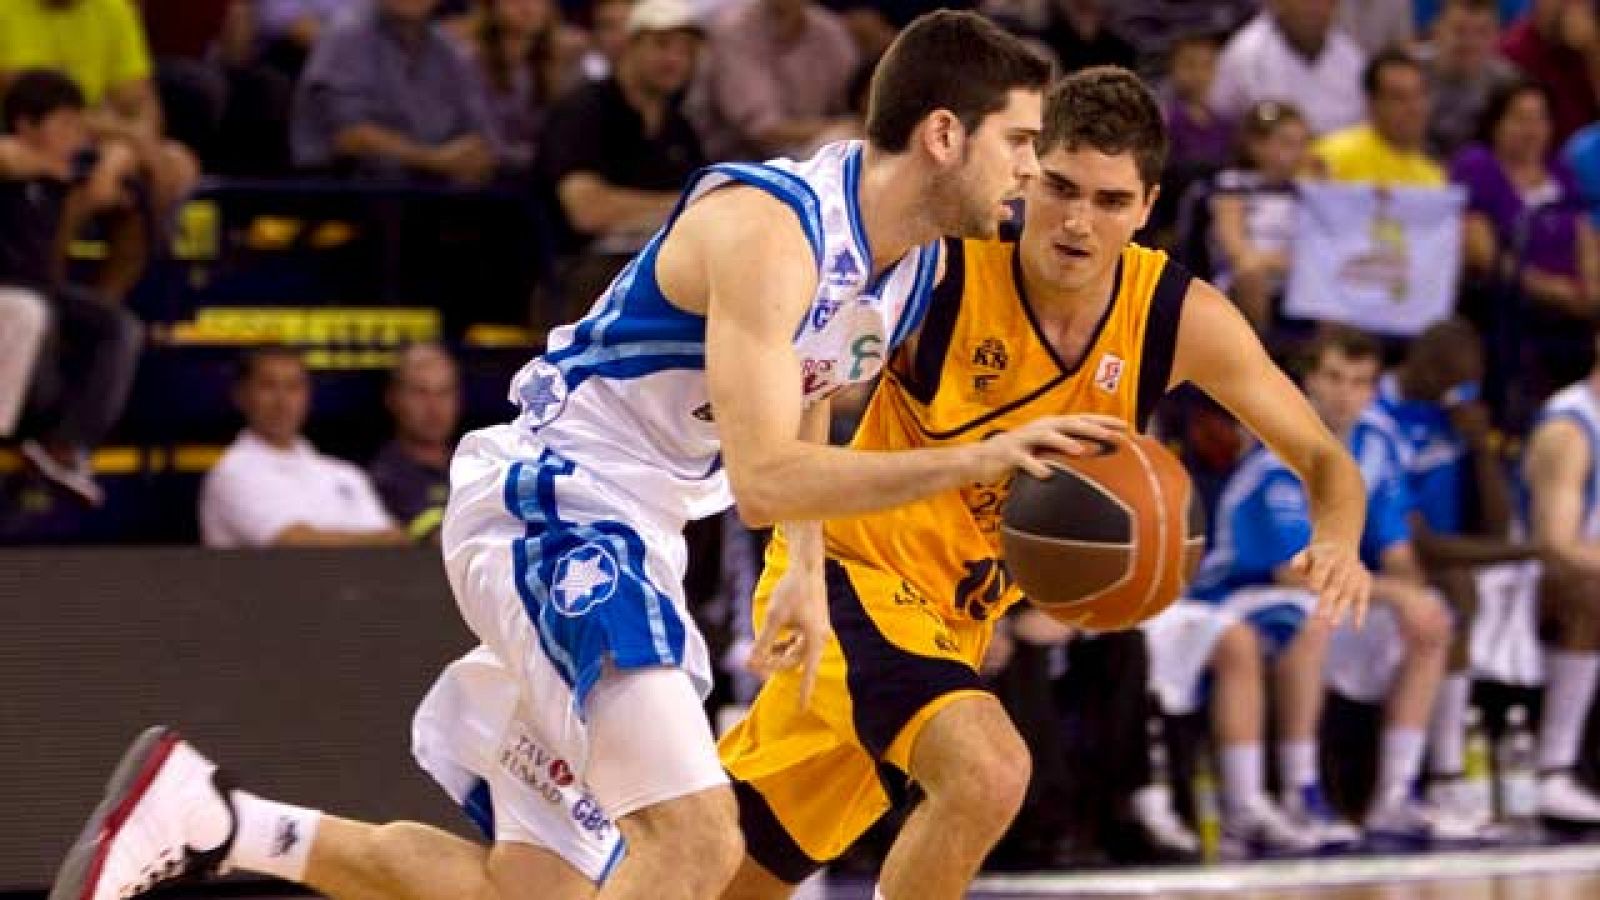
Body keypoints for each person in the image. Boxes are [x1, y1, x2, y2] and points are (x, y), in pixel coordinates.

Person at [52, 11, 1090, 900]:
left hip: (640, 534)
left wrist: (807, 578)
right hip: (561, 510)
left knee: (535, 889)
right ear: (946, 133)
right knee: (695, 840)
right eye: (1021, 141)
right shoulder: (770, 227)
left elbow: (805, 392)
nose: (1033, 171)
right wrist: (980, 458)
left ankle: (219, 823)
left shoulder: (904, 267)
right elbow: (768, 475)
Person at [715, 67, 1371, 900]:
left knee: (724, 873)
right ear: (1027, 175)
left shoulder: (1174, 316)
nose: (1076, 219)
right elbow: (811, 381)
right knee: (990, 771)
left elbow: (1323, 459)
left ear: (1145, 206)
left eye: (1107, 200)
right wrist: (802, 568)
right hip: (854, 578)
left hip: (955, 621)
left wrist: (1339, 538)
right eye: (1060, 186)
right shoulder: (946, 270)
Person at [1145, 328, 1462, 857]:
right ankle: (1299, 792)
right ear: (1308, 382)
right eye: (1334, 378)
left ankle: (1396, 795)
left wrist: (1413, 596)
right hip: (1237, 594)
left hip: (1331, 596)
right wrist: (1399, 594)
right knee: (1308, 618)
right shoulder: (1278, 449)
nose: (1346, 394)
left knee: (1433, 619)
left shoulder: (1378, 444)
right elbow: (1300, 570)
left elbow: (1396, 548)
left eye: (1361, 382)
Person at [0, 68, 143, 507]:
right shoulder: (14, 159)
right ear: (26, 126)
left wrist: (106, 168)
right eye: (64, 125)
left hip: (39, 291)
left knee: (117, 326)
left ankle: (65, 447)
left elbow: (132, 149)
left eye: (77, 126)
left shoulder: (60, 179)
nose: (76, 137)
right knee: (28, 311)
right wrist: (55, 166)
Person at [200, 346, 411, 548]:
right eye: (268, 386)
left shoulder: (345, 474)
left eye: (293, 387)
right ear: (241, 395)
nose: (282, 401)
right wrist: (376, 540)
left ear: (307, 395)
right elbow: (290, 542)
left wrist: (386, 538)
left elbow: (394, 540)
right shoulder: (233, 472)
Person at [1519, 334, 1600, 824]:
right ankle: (1554, 769)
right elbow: (1555, 545)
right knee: (1590, 591)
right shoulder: (1571, 426)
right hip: (1522, 581)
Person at [369, 343, 462, 531]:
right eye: (420, 393)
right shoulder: (376, 481)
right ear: (392, 398)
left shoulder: (484, 470)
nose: (434, 407)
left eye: (444, 392)